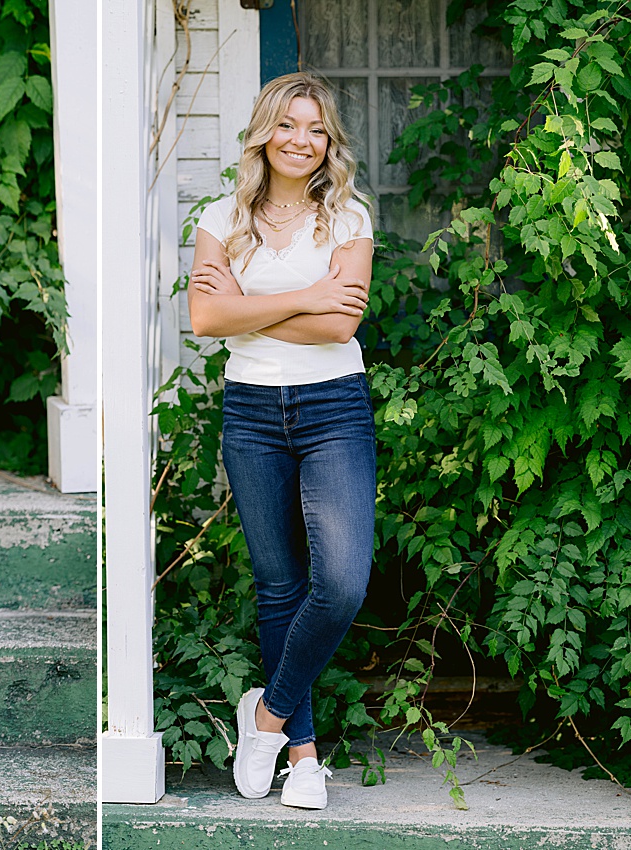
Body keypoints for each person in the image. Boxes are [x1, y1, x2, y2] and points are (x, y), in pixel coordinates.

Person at [188, 72, 375, 810]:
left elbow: (340, 326)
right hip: (253, 411)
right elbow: (206, 321)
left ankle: (264, 717)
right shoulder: (221, 217)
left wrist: (248, 306)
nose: (302, 140)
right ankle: (301, 756)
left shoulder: (349, 218)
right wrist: (305, 296)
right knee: (279, 586)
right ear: (265, 133)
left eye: (317, 129)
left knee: (342, 583)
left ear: (330, 142)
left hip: (334, 407)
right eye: (289, 125)